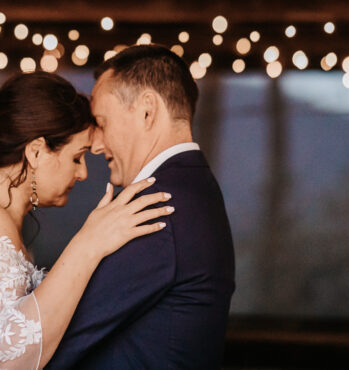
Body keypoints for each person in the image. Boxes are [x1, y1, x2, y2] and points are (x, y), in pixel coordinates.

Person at [0, 71, 174, 370]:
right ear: (36, 151)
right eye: (77, 157)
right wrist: (87, 245)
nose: (83, 173)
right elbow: (3, 362)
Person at [46, 44, 236, 369]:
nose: (95, 144)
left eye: (102, 123)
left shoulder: (156, 208)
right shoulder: (194, 188)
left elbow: (54, 344)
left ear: (147, 111)